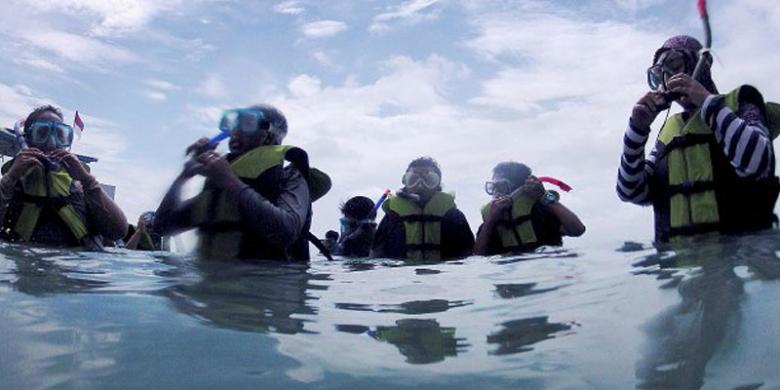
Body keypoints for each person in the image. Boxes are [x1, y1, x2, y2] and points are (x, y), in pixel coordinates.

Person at [616, 35, 780, 242]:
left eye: (675, 65)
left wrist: (706, 101)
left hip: (741, 257)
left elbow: (757, 161)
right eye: (660, 76)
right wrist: (636, 130)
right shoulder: (670, 130)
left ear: (703, 64)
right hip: (681, 267)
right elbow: (629, 191)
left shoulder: (741, 105)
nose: (668, 80)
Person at [154, 104, 330, 261]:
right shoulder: (219, 185)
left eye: (247, 123)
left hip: (268, 291)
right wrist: (184, 176)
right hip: (211, 289)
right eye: (233, 125)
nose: (236, 131)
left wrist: (229, 181)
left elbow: (286, 231)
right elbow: (162, 227)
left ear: (270, 135)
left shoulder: (289, 177)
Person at [0, 105, 127, 248]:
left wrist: (87, 180)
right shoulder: (11, 186)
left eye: (60, 135)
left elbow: (118, 231)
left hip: (75, 267)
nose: (51, 143)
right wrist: (10, 178)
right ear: (27, 140)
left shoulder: (82, 188)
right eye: (42, 133)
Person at [371, 157, 474, 260]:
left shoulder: (454, 216)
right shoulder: (392, 216)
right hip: (402, 274)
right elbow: (376, 253)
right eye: (413, 179)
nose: (420, 185)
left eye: (428, 180)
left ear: (437, 183)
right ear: (405, 182)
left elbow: (469, 253)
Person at [474, 162, 585, 255]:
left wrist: (544, 196)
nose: (496, 193)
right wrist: (490, 221)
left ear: (521, 188)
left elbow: (577, 230)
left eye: (502, 187)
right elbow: (479, 254)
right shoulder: (493, 216)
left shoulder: (540, 208)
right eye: (492, 187)